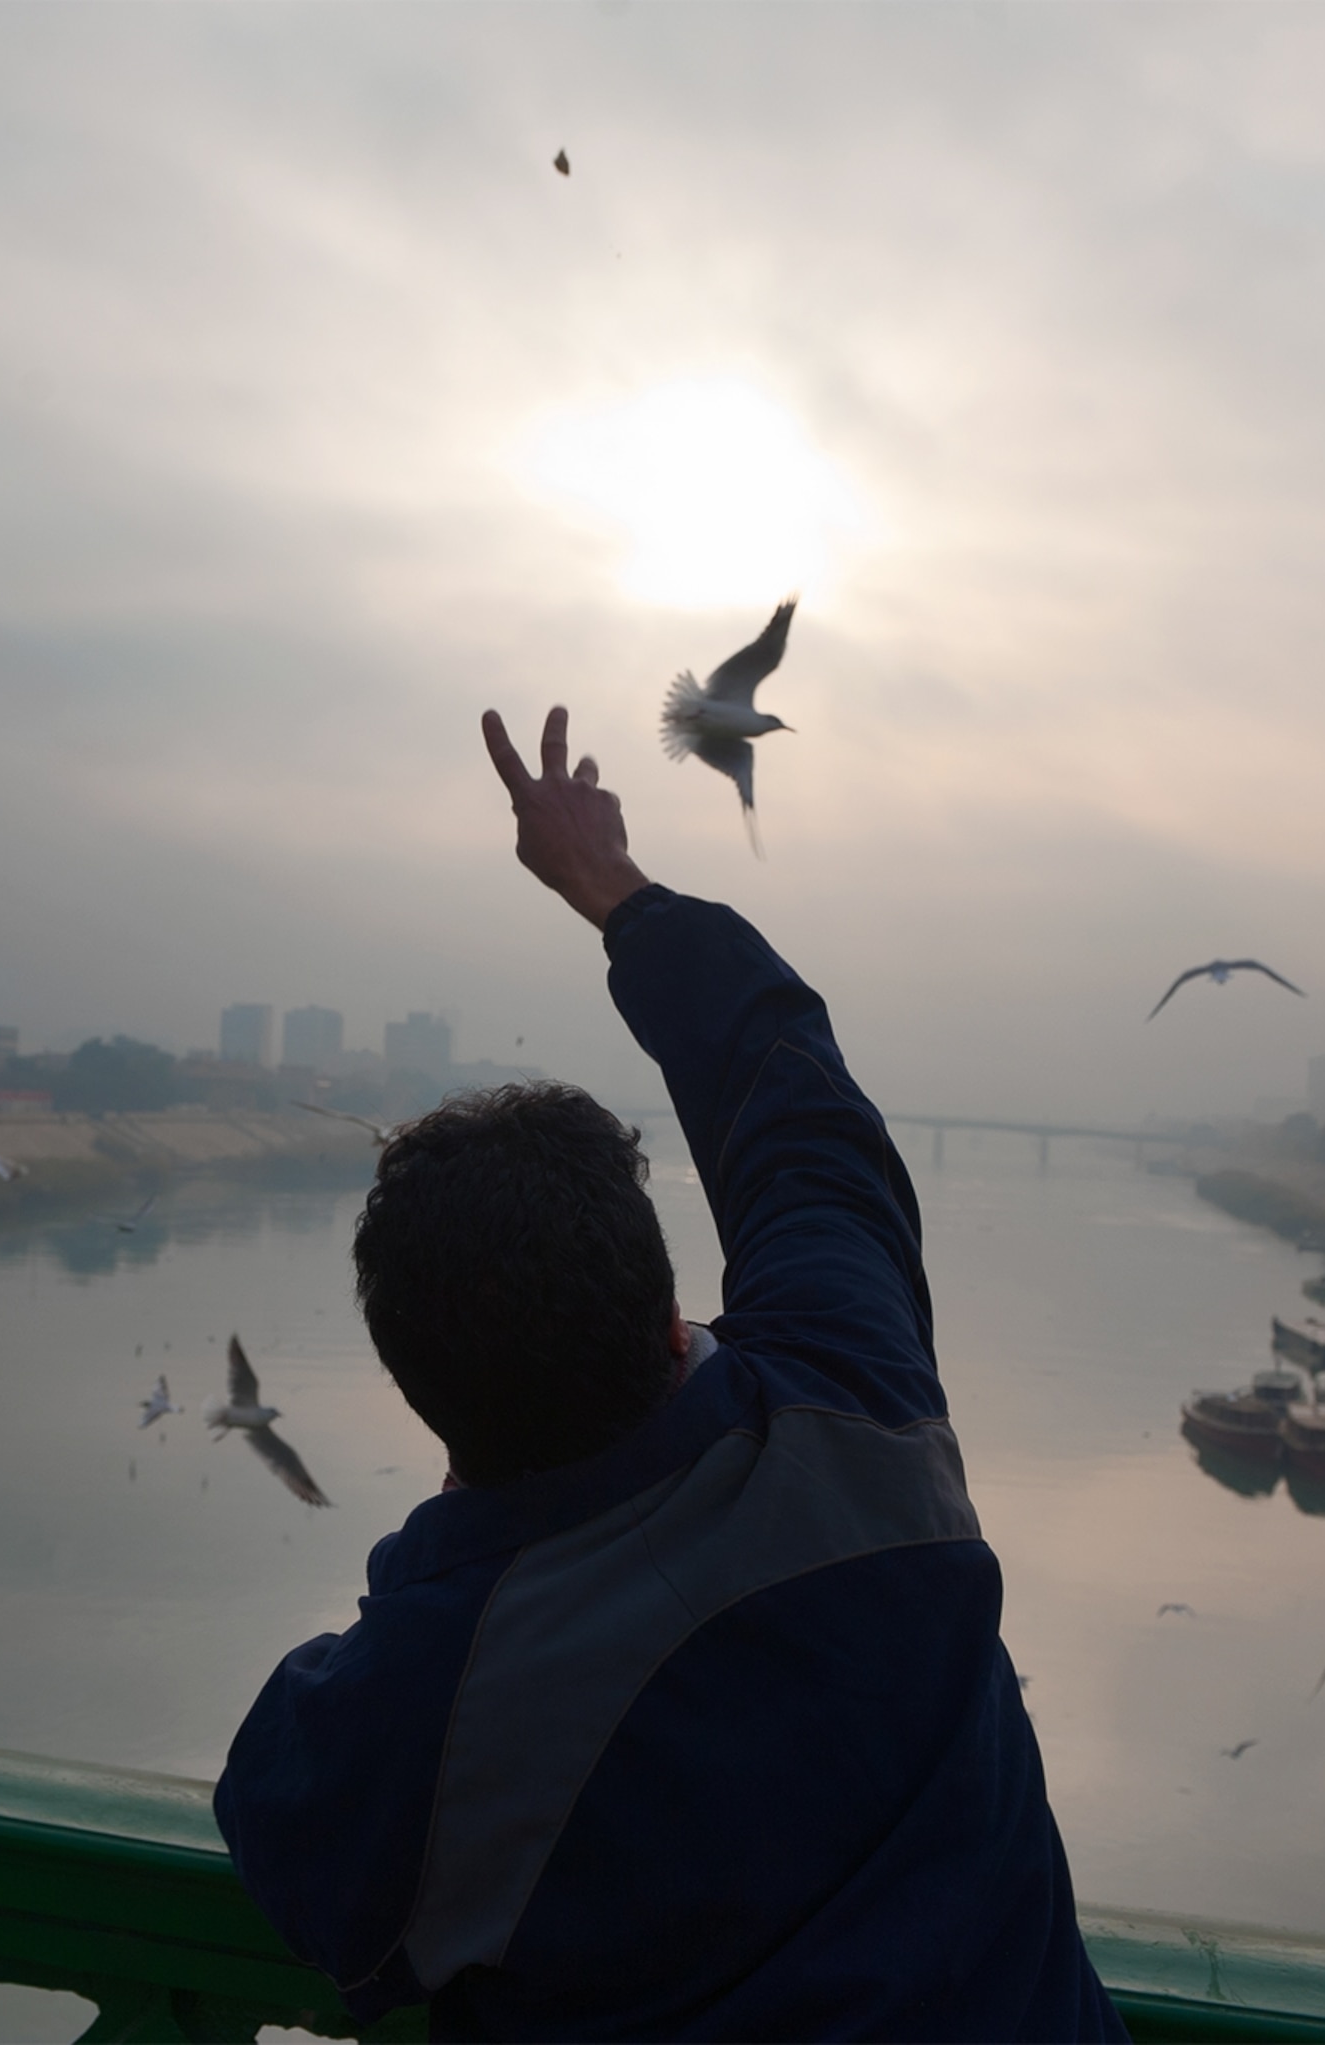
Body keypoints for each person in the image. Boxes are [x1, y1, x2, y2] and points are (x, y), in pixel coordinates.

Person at [215, 705, 1127, 2041]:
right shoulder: (851, 1394)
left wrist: (448, 1559)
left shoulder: (419, 1706)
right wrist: (610, 886)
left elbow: (291, 1833)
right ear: (670, 1326)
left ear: (426, 1401)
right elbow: (793, 1095)